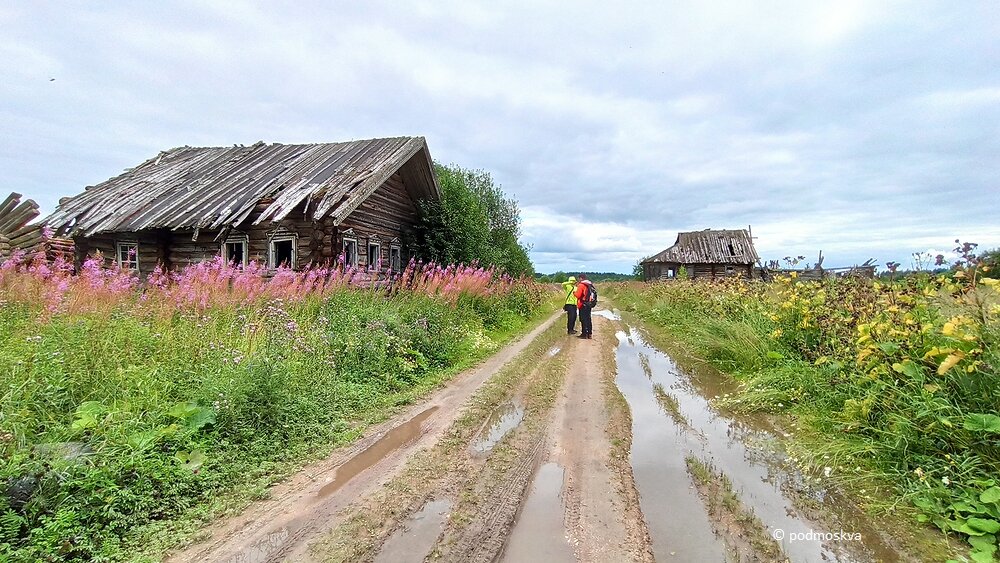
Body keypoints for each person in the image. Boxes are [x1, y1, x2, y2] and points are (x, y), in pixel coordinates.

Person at [574, 274, 594, 339]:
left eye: (579, 278)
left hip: (582, 304)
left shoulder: (581, 285)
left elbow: (578, 295)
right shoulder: (590, 284)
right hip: (589, 304)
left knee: (583, 319)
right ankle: (589, 334)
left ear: (581, 278)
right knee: (588, 318)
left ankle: (584, 334)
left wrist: (574, 293)